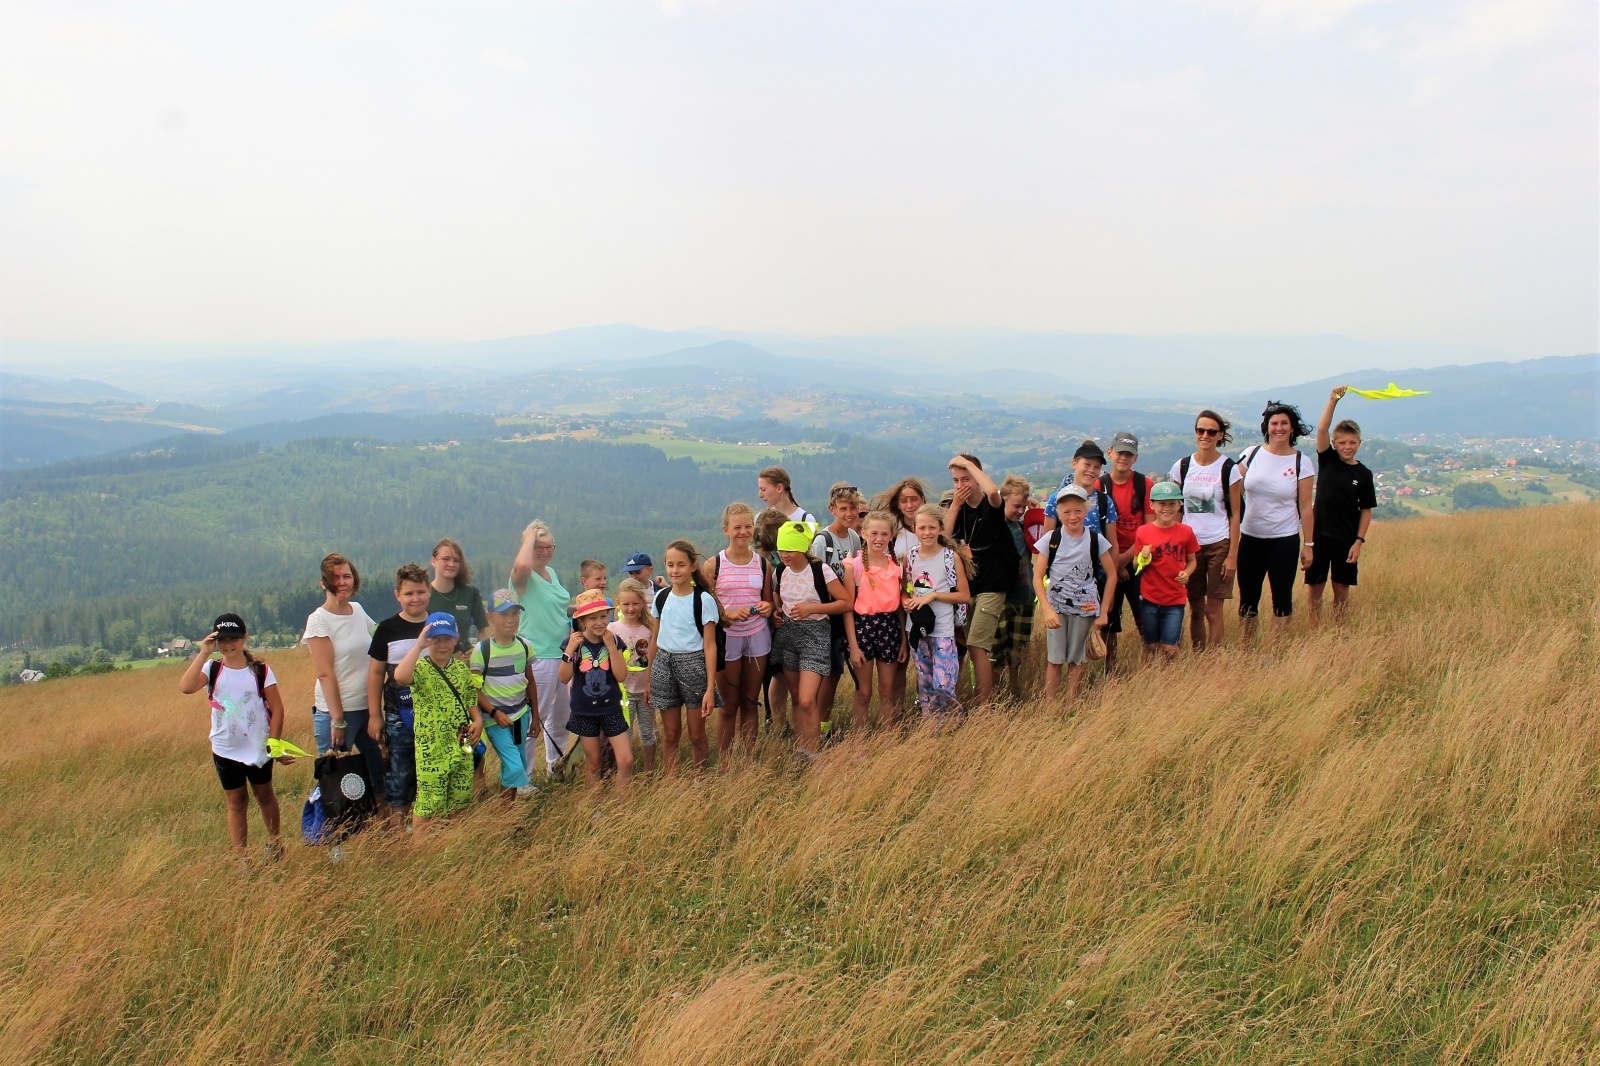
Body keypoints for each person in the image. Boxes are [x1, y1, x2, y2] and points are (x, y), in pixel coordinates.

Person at [178, 613, 290, 863]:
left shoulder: (260, 671)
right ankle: (243, 858)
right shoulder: (213, 668)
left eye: (234, 639)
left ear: (244, 639)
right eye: (222, 640)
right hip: (225, 748)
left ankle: (275, 844)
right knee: (236, 801)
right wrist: (204, 652)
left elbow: (278, 708)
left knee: (265, 795)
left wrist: (275, 744)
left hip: (258, 747)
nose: (228, 645)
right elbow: (186, 687)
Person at [393, 613, 482, 836]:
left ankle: (453, 849)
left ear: (456, 639)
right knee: (428, 806)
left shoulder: (461, 669)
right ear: (427, 640)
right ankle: (422, 853)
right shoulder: (420, 668)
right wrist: (419, 645)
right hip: (431, 752)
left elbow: (470, 701)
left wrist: (478, 721)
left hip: (460, 748)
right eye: (436, 639)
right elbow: (400, 677)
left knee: (460, 802)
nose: (442, 645)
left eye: (447, 639)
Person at [301, 554, 382, 797]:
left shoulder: (358, 610)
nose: (342, 582)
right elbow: (325, 674)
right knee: (338, 784)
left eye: (346, 576)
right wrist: (338, 720)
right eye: (335, 578)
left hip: (366, 708)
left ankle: (387, 829)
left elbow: (379, 642)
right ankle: (335, 833)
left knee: (379, 774)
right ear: (323, 583)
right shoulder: (318, 621)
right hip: (337, 713)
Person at [1236, 401, 1315, 640]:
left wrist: (1309, 545)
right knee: (1248, 598)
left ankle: (1277, 651)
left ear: (1292, 429)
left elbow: (1305, 507)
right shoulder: (1251, 454)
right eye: (1274, 423)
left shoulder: (1301, 462)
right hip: (1250, 538)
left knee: (1282, 598)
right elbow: (1232, 493)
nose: (1279, 428)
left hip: (1284, 540)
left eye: (1284, 423)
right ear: (1266, 427)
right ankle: (1247, 649)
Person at [1032, 486, 1119, 701]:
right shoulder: (1051, 539)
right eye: (1067, 512)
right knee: (1055, 658)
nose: (1073, 516)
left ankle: (1072, 703)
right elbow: (1037, 577)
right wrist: (1047, 610)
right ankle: (1050, 707)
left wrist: (1104, 612)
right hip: (1057, 609)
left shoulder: (1095, 539)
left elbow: (1112, 575)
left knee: (1078, 659)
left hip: (1086, 608)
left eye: (1078, 511)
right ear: (1059, 513)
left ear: (1086, 511)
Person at [771, 520, 849, 755]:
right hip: (788, 635)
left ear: (803, 548)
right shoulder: (780, 570)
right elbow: (777, 593)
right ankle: (801, 749)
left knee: (806, 699)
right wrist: (777, 611)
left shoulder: (820, 570)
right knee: (796, 698)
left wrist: (812, 609)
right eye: (781, 549)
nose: (784, 554)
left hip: (815, 635)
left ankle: (814, 754)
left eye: (790, 550)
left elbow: (846, 602)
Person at [944, 454, 1017, 705]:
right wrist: (954, 506)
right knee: (969, 645)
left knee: (977, 646)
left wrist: (970, 467)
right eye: (956, 480)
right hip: (969, 587)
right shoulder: (959, 510)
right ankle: (979, 696)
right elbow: (942, 540)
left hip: (994, 584)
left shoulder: (989, 504)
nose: (961, 485)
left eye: (966, 478)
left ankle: (984, 705)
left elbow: (994, 492)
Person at [1170, 411, 1244, 651]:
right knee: (1196, 609)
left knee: (1214, 610)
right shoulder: (1181, 467)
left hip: (1218, 543)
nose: (1205, 435)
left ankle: (1213, 663)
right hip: (1190, 546)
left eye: (1211, 431)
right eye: (1201, 430)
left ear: (1220, 435)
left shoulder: (1228, 468)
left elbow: (1235, 514)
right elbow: (1175, 510)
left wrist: (1232, 555)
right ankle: (1199, 659)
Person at [703, 503, 772, 761]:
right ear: (726, 530)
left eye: (747, 527)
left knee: (750, 701)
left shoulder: (763, 565)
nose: (743, 532)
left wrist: (768, 606)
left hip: (757, 636)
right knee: (729, 705)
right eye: (737, 527)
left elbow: (768, 600)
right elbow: (704, 607)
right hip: (727, 639)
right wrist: (727, 615)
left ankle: (749, 759)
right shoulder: (714, 564)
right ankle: (726, 762)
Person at [648, 540, 721, 773]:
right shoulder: (661, 598)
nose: (674, 570)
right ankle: (672, 784)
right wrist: (649, 677)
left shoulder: (703, 600)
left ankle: (701, 782)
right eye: (670, 565)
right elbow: (654, 639)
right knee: (670, 735)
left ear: (692, 566)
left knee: (697, 734)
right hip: (663, 664)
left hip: (694, 665)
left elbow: (710, 646)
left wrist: (710, 688)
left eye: (681, 564)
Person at [366, 563, 432, 820]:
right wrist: (375, 715)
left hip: (433, 716)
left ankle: (427, 829)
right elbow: (375, 673)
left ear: (429, 591)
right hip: (396, 716)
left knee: (430, 772)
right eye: (408, 593)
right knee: (400, 773)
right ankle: (397, 832)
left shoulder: (438, 624)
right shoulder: (386, 629)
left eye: (420, 592)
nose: (415, 599)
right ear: (397, 595)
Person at [1306, 387, 1376, 626]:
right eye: (1343, 442)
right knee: (1315, 586)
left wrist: (1359, 541)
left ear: (1359, 443)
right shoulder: (1328, 460)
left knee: (1341, 588)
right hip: (1320, 535)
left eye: (1352, 442)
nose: (1347, 446)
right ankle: (1314, 629)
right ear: (1334, 443)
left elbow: (1366, 509)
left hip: (1346, 539)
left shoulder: (1364, 474)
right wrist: (1333, 401)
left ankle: (1339, 630)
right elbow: (1323, 428)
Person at [510, 520, 573, 779]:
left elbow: (556, 610)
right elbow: (523, 564)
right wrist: (528, 537)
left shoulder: (552, 574)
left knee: (560, 718)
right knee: (534, 720)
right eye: (538, 547)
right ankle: (520, 779)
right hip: (537, 658)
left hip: (561, 654)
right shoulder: (522, 578)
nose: (544, 552)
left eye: (549, 547)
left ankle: (554, 770)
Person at [560, 590, 635, 790]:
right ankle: (594, 810)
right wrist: (569, 651)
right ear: (583, 620)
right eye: (593, 618)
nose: (600, 622)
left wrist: (611, 648)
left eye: (603, 616)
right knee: (594, 764)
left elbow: (621, 675)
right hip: (585, 710)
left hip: (611, 709)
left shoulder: (613, 640)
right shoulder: (573, 643)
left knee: (626, 760)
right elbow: (563, 677)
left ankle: (621, 807)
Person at [469, 590, 540, 801]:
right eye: (504, 614)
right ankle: (503, 809)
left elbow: (530, 682)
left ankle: (505, 812)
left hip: (520, 716)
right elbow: (474, 689)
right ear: (490, 617)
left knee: (516, 763)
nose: (511, 620)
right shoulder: (482, 651)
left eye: (515, 614)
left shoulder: (525, 646)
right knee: (516, 766)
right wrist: (494, 712)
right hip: (495, 721)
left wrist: (535, 716)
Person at [904, 504, 972, 721]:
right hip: (917, 628)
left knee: (943, 683)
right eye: (922, 528)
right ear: (914, 529)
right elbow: (904, 589)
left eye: (932, 527)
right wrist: (906, 601)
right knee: (925, 685)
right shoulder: (910, 557)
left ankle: (954, 720)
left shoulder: (950, 558)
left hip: (943, 628)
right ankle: (933, 730)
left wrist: (934, 595)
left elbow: (963, 595)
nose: (927, 533)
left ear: (941, 528)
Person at [843, 509, 906, 731]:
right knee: (864, 691)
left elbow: (899, 607)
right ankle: (859, 740)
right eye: (874, 533)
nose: (879, 539)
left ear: (891, 536)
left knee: (887, 689)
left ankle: (886, 738)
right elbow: (847, 609)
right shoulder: (854, 567)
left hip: (889, 628)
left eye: (884, 534)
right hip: (863, 629)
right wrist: (853, 646)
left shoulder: (896, 567)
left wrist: (903, 641)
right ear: (863, 533)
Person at [871, 476, 929, 710]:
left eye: (913, 500)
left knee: (925, 659)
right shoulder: (893, 531)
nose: (909, 505)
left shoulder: (929, 525)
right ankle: (898, 711)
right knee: (899, 661)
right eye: (904, 501)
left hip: (928, 599)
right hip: (897, 600)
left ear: (922, 500)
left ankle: (924, 705)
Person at [811, 483, 864, 740]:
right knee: (826, 672)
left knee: (834, 671)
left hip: (844, 613)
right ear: (832, 509)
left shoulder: (854, 538)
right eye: (843, 509)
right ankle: (817, 726)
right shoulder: (823, 540)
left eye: (853, 508)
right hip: (826, 613)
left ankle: (823, 724)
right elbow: (814, 576)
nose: (849, 513)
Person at [1130, 482, 1199, 662]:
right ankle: (1146, 676)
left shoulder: (1186, 532)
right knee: (1150, 645)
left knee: (1169, 646)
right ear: (1152, 505)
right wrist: (1142, 556)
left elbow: (1192, 561)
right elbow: (1136, 564)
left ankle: (1176, 675)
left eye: (1171, 503)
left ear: (1179, 505)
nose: (1166, 508)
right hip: (1150, 598)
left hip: (1175, 598)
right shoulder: (1143, 532)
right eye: (1162, 504)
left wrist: (1187, 573)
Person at [1100, 432, 1150, 674]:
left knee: (1145, 615)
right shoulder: (1100, 486)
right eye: (1120, 452)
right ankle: (1111, 669)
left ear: (1135, 458)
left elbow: (1149, 529)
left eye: (1128, 454)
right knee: (1109, 618)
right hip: (1107, 560)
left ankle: (1152, 665)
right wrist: (1114, 564)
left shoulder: (1144, 485)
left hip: (1138, 560)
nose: (1123, 458)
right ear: (1110, 453)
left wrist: (1123, 560)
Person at [990, 476, 1036, 698]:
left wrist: (1036, 513)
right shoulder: (994, 527)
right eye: (1015, 506)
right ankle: (996, 694)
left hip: (1024, 597)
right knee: (996, 652)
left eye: (1023, 506)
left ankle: (1017, 692)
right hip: (999, 599)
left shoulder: (1025, 527)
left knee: (1019, 652)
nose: (1019, 511)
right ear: (1002, 500)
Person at [610, 578, 657, 772]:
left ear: (643, 603)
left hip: (646, 690)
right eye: (626, 603)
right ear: (618, 602)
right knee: (625, 733)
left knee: (648, 732)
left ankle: (649, 772)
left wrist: (651, 684)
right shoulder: (612, 629)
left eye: (635, 603)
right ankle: (625, 771)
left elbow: (655, 658)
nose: (631, 608)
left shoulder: (650, 628)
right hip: (623, 693)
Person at [753, 507, 793, 735]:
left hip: (774, 618)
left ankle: (774, 719)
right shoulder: (762, 559)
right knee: (774, 673)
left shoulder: (771, 556)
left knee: (775, 672)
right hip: (766, 621)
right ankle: (774, 718)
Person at [427, 538, 487, 651]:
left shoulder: (471, 594)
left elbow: (482, 632)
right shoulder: (423, 595)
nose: (451, 564)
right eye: (446, 559)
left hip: (464, 663)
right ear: (433, 561)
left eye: (456, 560)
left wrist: (479, 655)